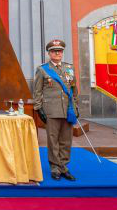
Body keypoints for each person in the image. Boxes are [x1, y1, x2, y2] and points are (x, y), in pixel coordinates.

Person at [33, 39, 79, 181]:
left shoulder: (69, 69)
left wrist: (76, 107)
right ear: (49, 53)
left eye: (59, 51)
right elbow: (37, 91)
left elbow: (74, 89)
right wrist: (38, 108)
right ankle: (55, 168)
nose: (57, 53)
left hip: (68, 110)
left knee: (66, 140)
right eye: (54, 51)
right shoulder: (42, 70)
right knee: (53, 140)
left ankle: (64, 167)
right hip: (51, 110)